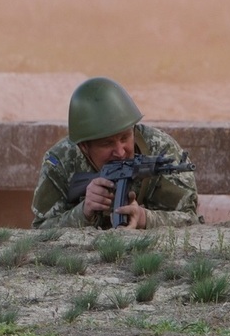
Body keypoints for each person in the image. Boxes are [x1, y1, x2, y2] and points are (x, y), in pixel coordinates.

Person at [31, 77, 200, 230]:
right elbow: (40, 230)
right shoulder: (61, 161)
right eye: (107, 143)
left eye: (125, 138)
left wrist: (144, 218)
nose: (120, 152)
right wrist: (82, 213)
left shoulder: (162, 150)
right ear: (84, 147)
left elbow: (191, 221)